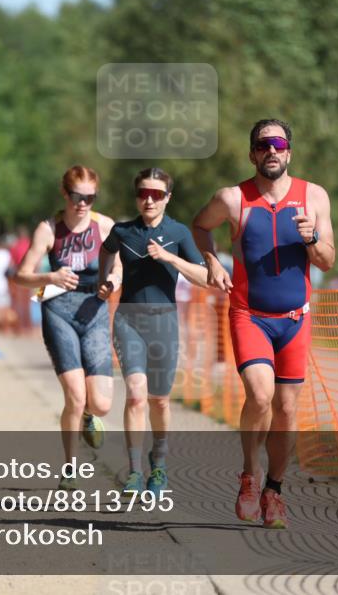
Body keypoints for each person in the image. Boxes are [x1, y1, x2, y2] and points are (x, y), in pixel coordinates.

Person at [191, 118, 336, 529]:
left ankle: (275, 489)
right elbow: (200, 226)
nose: (271, 150)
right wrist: (211, 260)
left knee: (286, 408)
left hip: (295, 321)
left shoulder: (314, 197)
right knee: (259, 395)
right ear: (252, 153)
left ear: (289, 151)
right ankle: (249, 475)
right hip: (250, 315)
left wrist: (311, 239)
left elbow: (328, 260)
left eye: (279, 144)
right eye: (263, 144)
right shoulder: (232, 198)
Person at [98, 168, 209, 495]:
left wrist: (170, 258)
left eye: (157, 194)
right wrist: (104, 280)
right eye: (143, 193)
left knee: (159, 400)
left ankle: (158, 464)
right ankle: (134, 472)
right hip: (129, 320)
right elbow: (106, 250)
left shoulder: (178, 232)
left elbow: (203, 277)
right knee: (135, 395)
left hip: (164, 322)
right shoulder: (123, 231)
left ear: (167, 198)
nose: (149, 200)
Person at [14, 165, 121, 490]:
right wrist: (51, 276)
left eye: (90, 197)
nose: (83, 204)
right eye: (77, 196)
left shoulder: (105, 226)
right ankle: (71, 469)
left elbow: (118, 267)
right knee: (75, 395)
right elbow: (21, 275)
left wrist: (113, 281)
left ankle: (89, 416)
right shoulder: (48, 229)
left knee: (101, 403)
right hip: (57, 308)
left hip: (94, 309)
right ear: (65, 193)